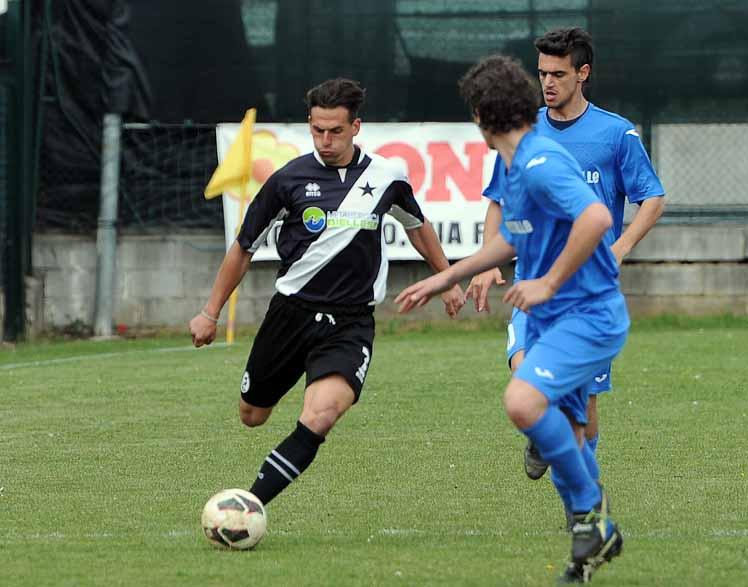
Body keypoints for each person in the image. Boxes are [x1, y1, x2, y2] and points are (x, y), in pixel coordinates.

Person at [396, 55, 628, 584]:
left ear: (481, 116)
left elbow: (597, 216)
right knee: (568, 431)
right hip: (550, 318)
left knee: (522, 401)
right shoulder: (512, 162)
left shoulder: (542, 163)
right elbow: (511, 238)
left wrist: (547, 281)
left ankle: (592, 512)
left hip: (587, 316)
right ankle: (587, 547)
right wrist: (446, 276)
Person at [189, 78, 465, 508]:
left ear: (356, 126)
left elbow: (418, 227)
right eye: (317, 130)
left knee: (320, 416)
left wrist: (447, 279)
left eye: (335, 131)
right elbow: (243, 248)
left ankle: (250, 505)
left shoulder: (386, 176)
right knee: (252, 416)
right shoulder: (288, 180)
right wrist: (210, 312)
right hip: (290, 315)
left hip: (351, 323)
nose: (325, 140)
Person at [466, 27, 665, 498]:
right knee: (525, 372)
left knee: (584, 414)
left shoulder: (616, 133)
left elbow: (652, 198)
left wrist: (620, 246)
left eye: (558, 73)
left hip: (588, 292)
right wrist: (485, 259)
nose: (548, 83)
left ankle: (582, 502)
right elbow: (498, 199)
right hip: (533, 284)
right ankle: (551, 444)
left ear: (583, 73)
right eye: (541, 74)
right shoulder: (523, 129)